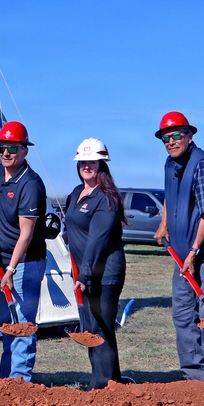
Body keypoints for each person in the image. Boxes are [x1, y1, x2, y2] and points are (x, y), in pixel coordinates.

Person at [153, 111, 204, 386]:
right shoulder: (170, 164)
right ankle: (193, 378)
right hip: (183, 255)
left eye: (176, 135)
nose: (171, 142)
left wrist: (194, 252)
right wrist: (164, 224)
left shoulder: (202, 165)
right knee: (183, 314)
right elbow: (169, 197)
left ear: (189, 135)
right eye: (165, 138)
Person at [63, 138, 126, 389]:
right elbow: (73, 229)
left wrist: (84, 274)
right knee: (94, 327)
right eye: (82, 162)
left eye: (92, 162)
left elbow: (97, 241)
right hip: (85, 272)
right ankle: (112, 380)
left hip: (104, 273)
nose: (86, 166)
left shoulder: (106, 198)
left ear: (102, 164)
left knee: (99, 328)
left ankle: (102, 384)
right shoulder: (76, 193)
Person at [0, 120, 47, 382]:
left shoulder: (30, 183)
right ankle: (7, 379)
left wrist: (11, 269)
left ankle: (20, 380)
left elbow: (26, 233)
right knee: (7, 321)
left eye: (12, 148)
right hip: (4, 262)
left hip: (25, 263)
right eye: (2, 147)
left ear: (24, 150)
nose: (6, 153)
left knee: (22, 322)